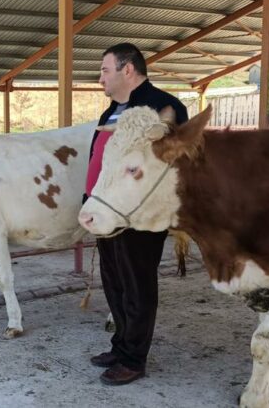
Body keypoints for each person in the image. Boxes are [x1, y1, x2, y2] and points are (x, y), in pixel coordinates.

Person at [84, 43, 188, 385]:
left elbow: (174, 165)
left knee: (137, 284)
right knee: (114, 281)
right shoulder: (110, 111)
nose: (101, 78)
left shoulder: (165, 107)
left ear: (128, 69)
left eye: (105, 70)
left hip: (139, 214)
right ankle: (121, 345)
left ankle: (133, 358)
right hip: (107, 210)